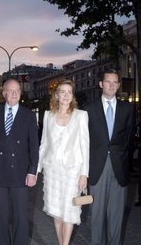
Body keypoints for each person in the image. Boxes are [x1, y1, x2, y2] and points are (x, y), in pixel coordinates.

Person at [0, 79, 39, 245]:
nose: (14, 93)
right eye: (10, 90)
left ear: (20, 94)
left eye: (17, 91)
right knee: (1, 214)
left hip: (20, 172)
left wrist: (32, 171)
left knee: (20, 215)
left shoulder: (28, 115)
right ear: (4, 93)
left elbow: (34, 146)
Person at [84, 69, 134, 245]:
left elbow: (129, 139)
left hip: (119, 168)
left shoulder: (128, 109)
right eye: (108, 82)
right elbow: (84, 142)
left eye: (115, 82)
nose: (112, 85)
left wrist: (122, 160)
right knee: (97, 216)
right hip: (97, 168)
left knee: (117, 216)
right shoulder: (89, 109)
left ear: (119, 85)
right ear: (101, 84)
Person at [38, 79, 89, 245]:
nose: (66, 95)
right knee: (57, 211)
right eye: (62, 91)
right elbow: (44, 143)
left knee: (69, 210)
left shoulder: (80, 115)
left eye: (69, 92)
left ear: (72, 95)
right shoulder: (48, 116)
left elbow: (85, 146)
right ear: (56, 94)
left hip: (72, 170)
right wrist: (36, 169)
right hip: (52, 170)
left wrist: (84, 174)